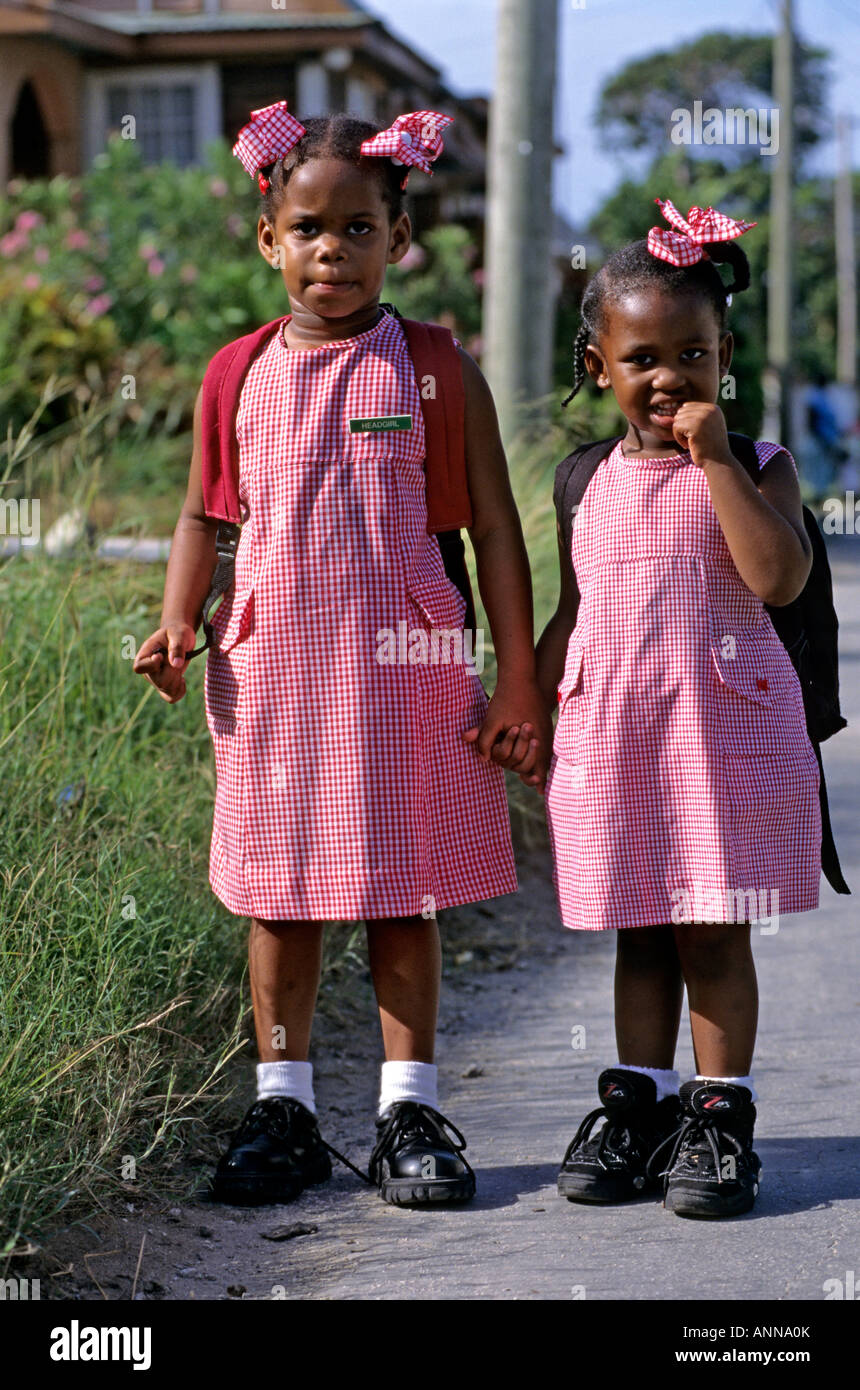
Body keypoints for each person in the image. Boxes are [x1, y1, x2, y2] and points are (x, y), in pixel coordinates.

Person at [133, 102, 551, 1207]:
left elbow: (493, 530)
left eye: (358, 228)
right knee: (281, 894)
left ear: (397, 238)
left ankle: (407, 1107)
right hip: (270, 675)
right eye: (309, 229)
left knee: (401, 888)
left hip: (405, 674)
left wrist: (515, 676)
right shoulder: (233, 374)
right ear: (268, 238)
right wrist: (180, 618)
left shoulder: (429, 367)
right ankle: (284, 1105)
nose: (333, 251)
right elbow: (202, 519)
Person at [494, 199, 821, 1218]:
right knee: (639, 929)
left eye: (692, 353)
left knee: (711, 931)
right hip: (614, 736)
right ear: (598, 365)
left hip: (719, 736)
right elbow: (575, 610)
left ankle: (718, 1116)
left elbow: (776, 579)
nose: (668, 378)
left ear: (724, 357)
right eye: (642, 358)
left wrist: (715, 459)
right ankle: (635, 1103)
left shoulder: (759, 465)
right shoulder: (582, 478)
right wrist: (528, 701)